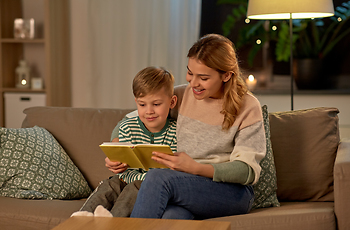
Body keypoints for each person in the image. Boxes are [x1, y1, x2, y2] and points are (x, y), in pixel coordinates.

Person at [107, 34, 266, 220]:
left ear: (226, 75)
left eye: (203, 77)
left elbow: (247, 171)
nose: (193, 83)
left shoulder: (248, 106)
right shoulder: (182, 96)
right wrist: (117, 148)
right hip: (184, 187)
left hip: (231, 193)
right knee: (172, 217)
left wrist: (196, 168)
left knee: (158, 177)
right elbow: (134, 117)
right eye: (190, 72)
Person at [71, 66, 177, 217]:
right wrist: (119, 164)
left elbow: (171, 172)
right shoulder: (128, 127)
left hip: (151, 187)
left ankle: (114, 221)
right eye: (142, 104)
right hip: (126, 179)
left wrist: (139, 179)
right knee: (110, 184)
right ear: (136, 102)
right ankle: (82, 217)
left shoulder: (176, 132)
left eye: (156, 104)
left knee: (135, 186)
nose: (149, 111)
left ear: (172, 102)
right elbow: (125, 170)